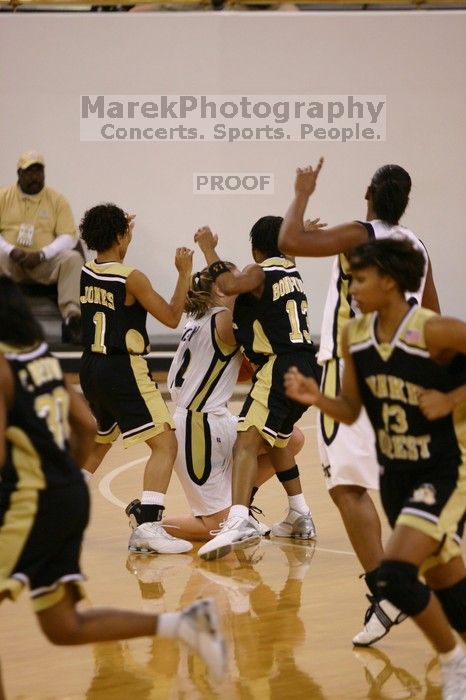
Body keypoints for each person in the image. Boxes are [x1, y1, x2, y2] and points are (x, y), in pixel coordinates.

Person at [0, 276, 227, 700]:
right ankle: (180, 624)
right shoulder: (41, 358)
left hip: (28, 502)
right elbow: (86, 426)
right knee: (65, 626)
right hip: (64, 497)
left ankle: (149, 523)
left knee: (163, 442)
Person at [284, 237, 466, 700]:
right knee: (452, 593)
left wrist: (450, 398)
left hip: (442, 471)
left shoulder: (435, 330)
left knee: (394, 577)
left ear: (389, 282)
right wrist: (315, 396)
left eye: (360, 279)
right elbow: (348, 409)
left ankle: (453, 662)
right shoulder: (354, 334)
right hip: (396, 475)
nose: (352, 288)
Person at [278, 159, 441, 646]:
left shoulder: (358, 234)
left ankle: (386, 591)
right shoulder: (416, 246)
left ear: (369, 192)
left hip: (349, 372)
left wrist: (302, 192)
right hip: (402, 375)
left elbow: (289, 243)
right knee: (399, 484)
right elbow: (432, 314)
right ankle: (430, 578)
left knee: (347, 485)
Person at [194, 216, 320, 561]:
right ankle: (299, 514)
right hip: (308, 365)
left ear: (256, 249)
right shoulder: (291, 271)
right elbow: (287, 254)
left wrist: (208, 247)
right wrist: (301, 233)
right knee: (277, 439)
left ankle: (238, 519)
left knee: (247, 440)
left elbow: (230, 284)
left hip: (279, 365)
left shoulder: (261, 271)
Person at [78, 203, 194, 555]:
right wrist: (183, 272)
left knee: (99, 446)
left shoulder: (87, 269)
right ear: (119, 235)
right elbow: (173, 317)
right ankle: (148, 526)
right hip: (122, 370)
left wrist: (116, 229)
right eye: (125, 232)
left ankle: (59, 513)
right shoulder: (131, 277)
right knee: (165, 444)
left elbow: (110, 248)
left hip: (91, 368)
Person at [160, 263, 306, 540]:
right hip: (196, 426)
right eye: (237, 279)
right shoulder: (226, 319)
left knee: (289, 439)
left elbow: (228, 366)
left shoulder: (200, 316)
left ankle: (242, 506)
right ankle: (150, 523)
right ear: (220, 287)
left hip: (218, 418)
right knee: (215, 527)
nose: (244, 285)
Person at [0, 151, 83, 344]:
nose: (35, 176)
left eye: (39, 171)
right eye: (29, 172)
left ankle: (72, 319)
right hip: (10, 263)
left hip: (43, 264)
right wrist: (11, 250)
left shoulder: (57, 200)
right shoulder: (3, 197)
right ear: (19, 174)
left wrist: (43, 254)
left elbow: (69, 237)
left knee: (73, 258)